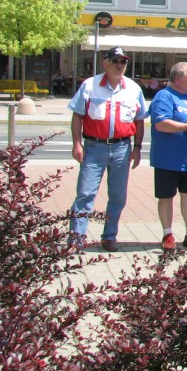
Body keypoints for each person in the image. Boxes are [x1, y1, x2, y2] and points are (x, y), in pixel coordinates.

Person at [68, 47, 147, 251]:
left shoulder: (133, 88)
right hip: (94, 147)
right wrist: (77, 143)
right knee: (85, 194)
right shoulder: (89, 85)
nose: (119, 65)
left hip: (122, 148)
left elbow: (139, 121)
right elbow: (77, 116)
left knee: (118, 196)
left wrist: (137, 148)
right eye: (115, 61)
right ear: (105, 62)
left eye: (123, 62)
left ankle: (109, 237)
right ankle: (77, 238)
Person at [149, 62, 187, 250]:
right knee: (166, 197)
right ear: (177, 78)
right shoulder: (164, 96)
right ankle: (167, 234)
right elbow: (161, 124)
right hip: (167, 159)